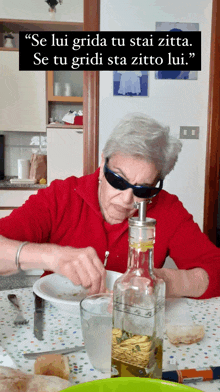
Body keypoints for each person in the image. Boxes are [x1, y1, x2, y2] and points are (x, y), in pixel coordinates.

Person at [0, 113, 219, 299]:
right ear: (103, 162)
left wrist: (166, 281)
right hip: (58, 319)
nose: (126, 200)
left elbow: (215, 270)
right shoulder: (62, 196)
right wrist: (50, 256)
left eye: (143, 190)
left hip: (129, 324)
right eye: (118, 180)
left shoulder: (168, 209)